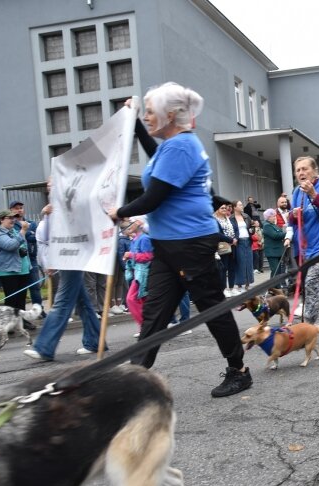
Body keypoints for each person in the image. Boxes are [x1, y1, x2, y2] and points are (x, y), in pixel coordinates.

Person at [109, 81, 251, 398]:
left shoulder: (182, 146)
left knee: (211, 308)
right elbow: (155, 154)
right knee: (154, 315)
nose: (146, 117)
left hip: (191, 243)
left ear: (170, 114)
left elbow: (155, 196)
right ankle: (134, 382)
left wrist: (119, 211)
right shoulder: (173, 147)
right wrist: (134, 125)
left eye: (149, 112)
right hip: (167, 245)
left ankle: (239, 370)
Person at [23, 200, 102, 361]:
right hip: (65, 258)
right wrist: (46, 215)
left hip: (72, 259)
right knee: (83, 303)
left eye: (51, 184)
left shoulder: (73, 209)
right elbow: (45, 237)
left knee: (63, 301)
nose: (49, 187)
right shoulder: (55, 211)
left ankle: (44, 347)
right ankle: (95, 341)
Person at [288, 156, 319, 324]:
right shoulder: (296, 192)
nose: (301, 173)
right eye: (298, 170)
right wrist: (293, 215)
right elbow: (292, 220)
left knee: (311, 283)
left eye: (305, 169)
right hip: (306, 250)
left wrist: (314, 195)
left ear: (315, 171)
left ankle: (306, 328)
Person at [9, 201, 45, 319]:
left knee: (35, 286)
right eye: (16, 208)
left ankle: (39, 310)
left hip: (31, 258)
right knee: (20, 289)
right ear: (11, 210)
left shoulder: (31, 222)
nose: (19, 210)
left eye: (21, 208)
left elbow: (33, 238)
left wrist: (26, 234)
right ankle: (20, 313)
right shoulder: (10, 224)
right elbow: (16, 238)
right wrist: (26, 234)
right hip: (18, 259)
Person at [0, 210, 32, 313]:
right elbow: (11, 246)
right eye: (9, 218)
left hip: (22, 269)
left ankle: (21, 321)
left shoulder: (14, 231)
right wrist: (23, 231)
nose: (13, 220)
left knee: (21, 299)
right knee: (12, 300)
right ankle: (9, 324)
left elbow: (23, 247)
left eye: (14, 218)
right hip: (8, 271)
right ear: (1, 220)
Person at [229, 200, 254, 294]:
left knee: (249, 261)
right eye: (239, 205)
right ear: (234, 207)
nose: (242, 206)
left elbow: (251, 228)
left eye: (241, 205)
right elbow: (231, 230)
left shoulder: (246, 216)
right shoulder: (231, 218)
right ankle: (240, 283)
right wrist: (233, 239)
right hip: (238, 242)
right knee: (240, 262)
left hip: (248, 240)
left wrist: (254, 227)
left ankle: (248, 283)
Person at [213, 200, 237, 296]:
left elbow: (235, 229)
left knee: (232, 267)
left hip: (232, 245)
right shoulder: (214, 220)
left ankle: (232, 287)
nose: (224, 209)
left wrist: (235, 239)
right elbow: (218, 234)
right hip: (222, 246)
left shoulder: (228, 218)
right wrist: (230, 240)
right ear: (217, 210)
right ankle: (223, 289)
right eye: (222, 208)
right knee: (224, 268)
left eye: (225, 208)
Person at [262, 208, 286, 282]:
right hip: (272, 252)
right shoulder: (267, 225)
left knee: (278, 271)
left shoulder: (273, 225)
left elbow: (279, 233)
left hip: (277, 251)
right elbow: (275, 235)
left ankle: (277, 287)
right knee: (275, 271)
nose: (275, 217)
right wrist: (286, 233)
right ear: (268, 217)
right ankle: (273, 288)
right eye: (273, 216)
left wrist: (282, 233)